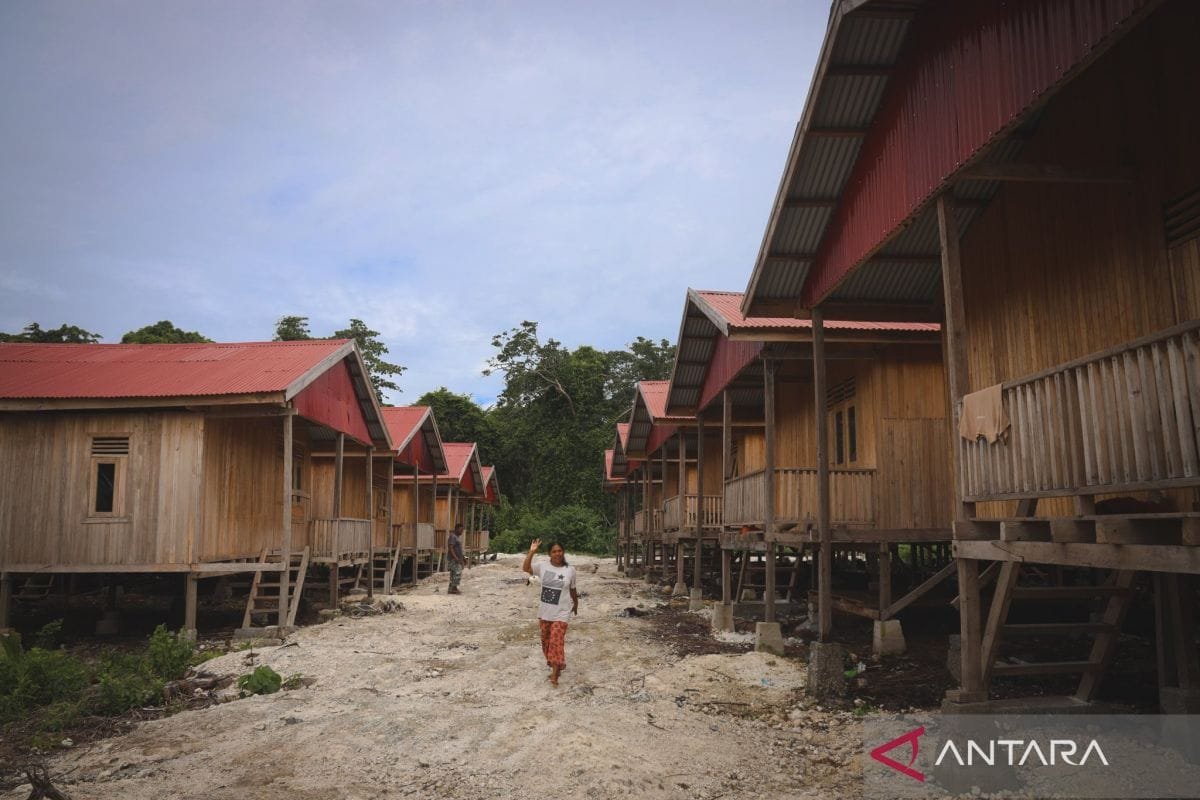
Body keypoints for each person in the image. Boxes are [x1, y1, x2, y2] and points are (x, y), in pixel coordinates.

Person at [522, 538, 577, 686]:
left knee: (556, 640)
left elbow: (572, 589)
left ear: (563, 552)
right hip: (545, 612)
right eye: (554, 551)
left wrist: (576, 604)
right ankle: (557, 663)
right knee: (546, 641)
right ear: (549, 554)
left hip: (562, 612)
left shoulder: (570, 570)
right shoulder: (542, 566)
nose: (557, 553)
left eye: (560, 551)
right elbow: (526, 568)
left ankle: (555, 674)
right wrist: (531, 552)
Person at [446, 523, 466, 595]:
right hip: (454, 559)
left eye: (462, 530)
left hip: (457, 558)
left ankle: (451, 589)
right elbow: (451, 548)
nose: (462, 532)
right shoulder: (453, 536)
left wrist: (463, 558)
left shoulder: (456, 537)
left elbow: (459, 549)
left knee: (453, 574)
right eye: (461, 530)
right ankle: (454, 588)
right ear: (456, 529)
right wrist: (456, 558)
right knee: (457, 573)